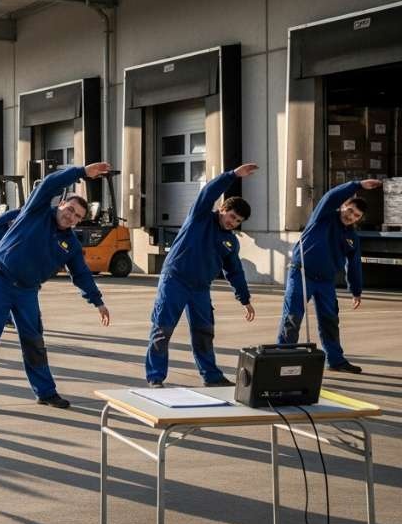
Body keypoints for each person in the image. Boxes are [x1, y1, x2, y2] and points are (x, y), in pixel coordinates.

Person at [0, 163, 111, 411]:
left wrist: (97, 301)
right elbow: (50, 182)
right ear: (61, 204)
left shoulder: (71, 244)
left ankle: (45, 392)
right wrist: (81, 172)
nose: (71, 217)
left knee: (34, 342)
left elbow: (81, 274)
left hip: (27, 291)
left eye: (77, 216)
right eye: (70, 209)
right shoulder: (36, 210)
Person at [144, 164, 258, 388]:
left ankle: (211, 376)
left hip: (200, 289)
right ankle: (155, 377)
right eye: (232, 216)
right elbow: (208, 192)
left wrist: (244, 299)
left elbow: (234, 271)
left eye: (237, 221)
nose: (232, 223)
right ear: (222, 209)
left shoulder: (230, 242)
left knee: (204, 332)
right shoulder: (200, 216)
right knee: (162, 329)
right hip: (175, 280)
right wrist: (232, 175)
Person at [277, 178, 382, 373]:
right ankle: (283, 358)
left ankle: (336, 360)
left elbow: (354, 264)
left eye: (356, 215)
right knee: (292, 317)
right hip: (301, 274)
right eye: (350, 210)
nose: (351, 216)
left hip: (325, 282)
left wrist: (356, 290)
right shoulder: (323, 216)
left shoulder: (352, 238)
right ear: (343, 206)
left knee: (330, 320)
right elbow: (330, 196)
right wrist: (357, 185)